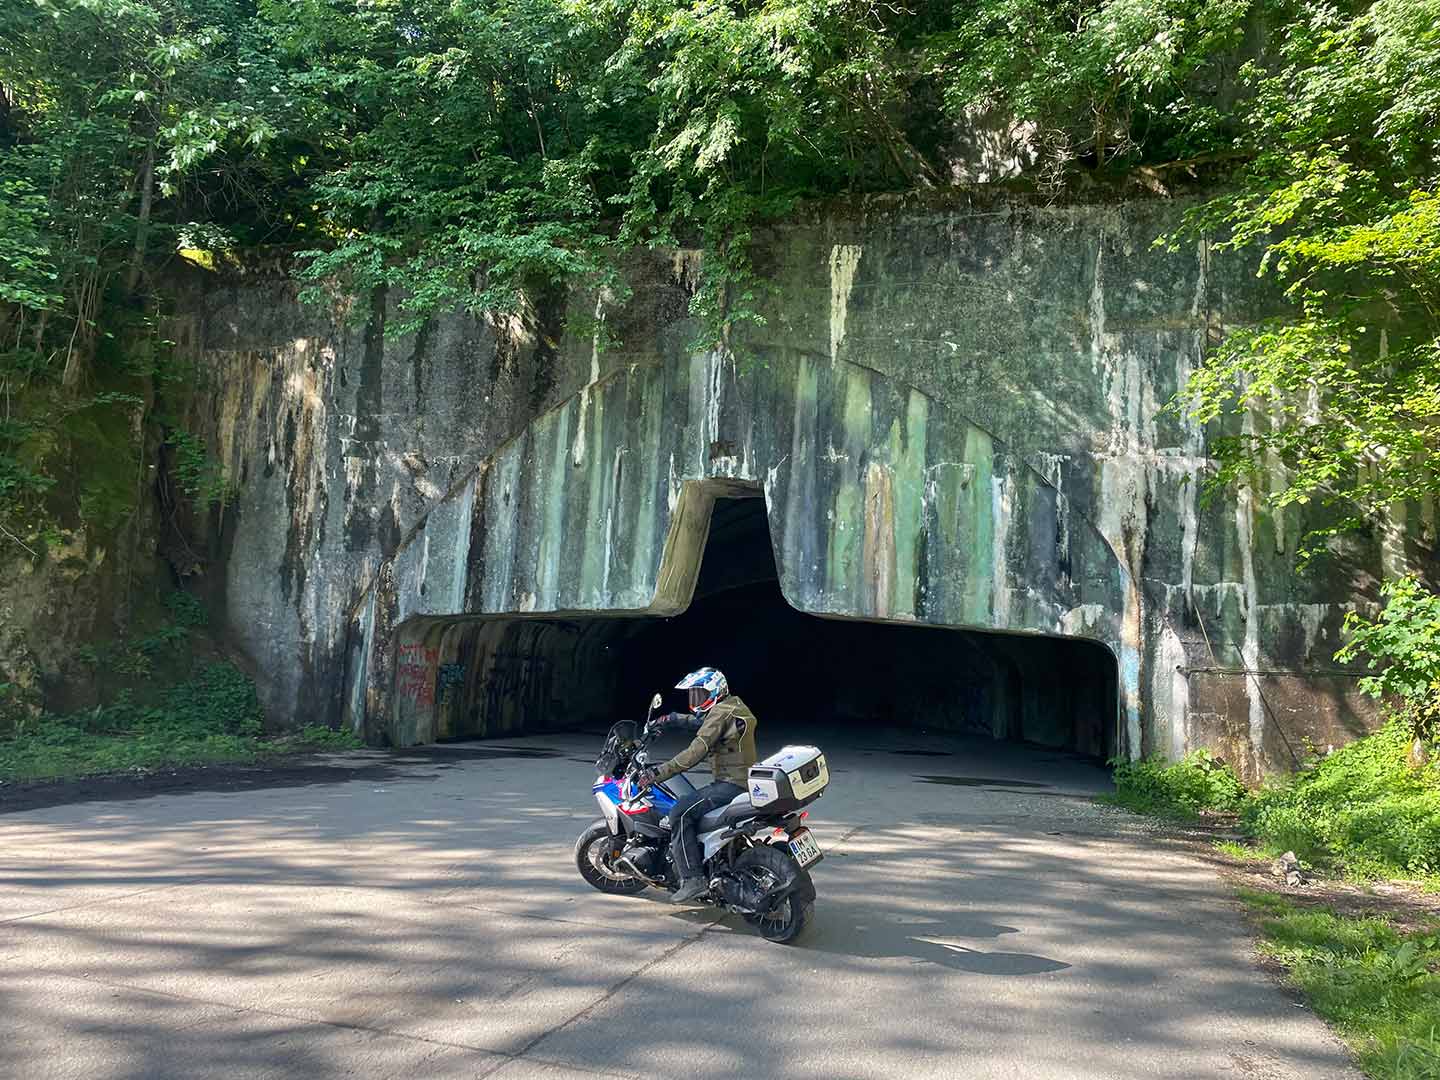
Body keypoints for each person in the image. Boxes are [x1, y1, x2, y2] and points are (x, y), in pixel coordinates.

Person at [637, 667, 758, 903]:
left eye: (700, 694)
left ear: (716, 691)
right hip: (745, 781)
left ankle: (693, 879)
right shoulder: (732, 706)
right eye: (693, 695)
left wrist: (657, 773)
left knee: (680, 813)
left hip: (731, 785)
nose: (696, 700)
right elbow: (706, 722)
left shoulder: (720, 713)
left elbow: (695, 751)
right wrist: (672, 719)